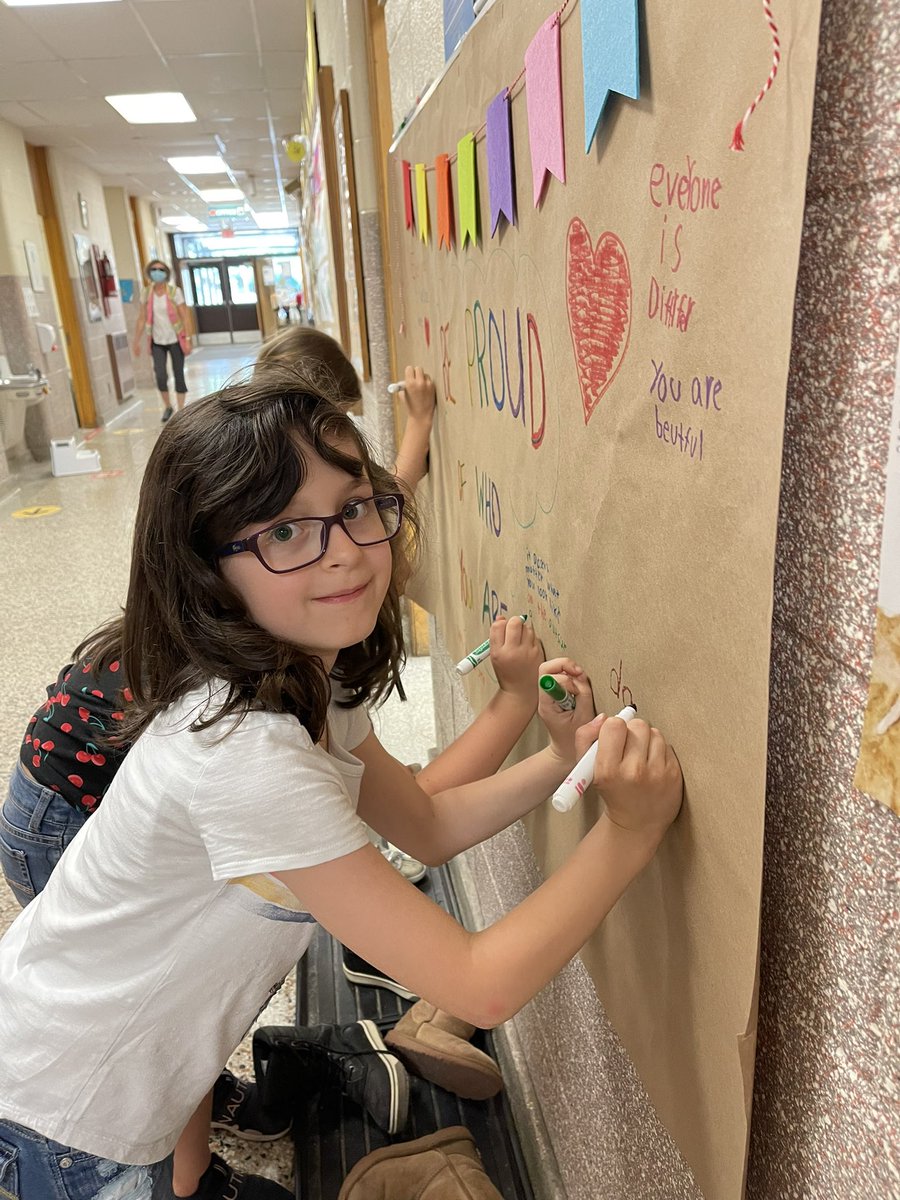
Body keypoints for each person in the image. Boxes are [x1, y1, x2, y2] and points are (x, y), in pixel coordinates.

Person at [0, 375, 682, 1200]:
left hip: (121, 1059)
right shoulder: (248, 753)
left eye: (357, 506)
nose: (346, 550)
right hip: (62, 1113)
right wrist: (628, 833)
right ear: (204, 568)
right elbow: (477, 983)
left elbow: (425, 822)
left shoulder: (307, 682)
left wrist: (558, 760)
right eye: (285, 530)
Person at [258, 326, 436, 493]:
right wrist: (419, 419)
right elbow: (389, 503)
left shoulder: (274, 446)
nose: (344, 423)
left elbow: (383, 487)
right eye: (341, 414)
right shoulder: (299, 467)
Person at [132, 259, 192, 423]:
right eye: (154, 269)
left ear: (166, 273)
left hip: (175, 339)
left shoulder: (174, 291)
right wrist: (136, 341)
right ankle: (167, 406)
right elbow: (142, 318)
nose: (157, 272)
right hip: (157, 341)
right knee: (160, 375)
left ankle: (180, 411)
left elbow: (185, 315)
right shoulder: (146, 293)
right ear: (149, 273)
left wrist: (188, 338)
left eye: (161, 269)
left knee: (178, 374)